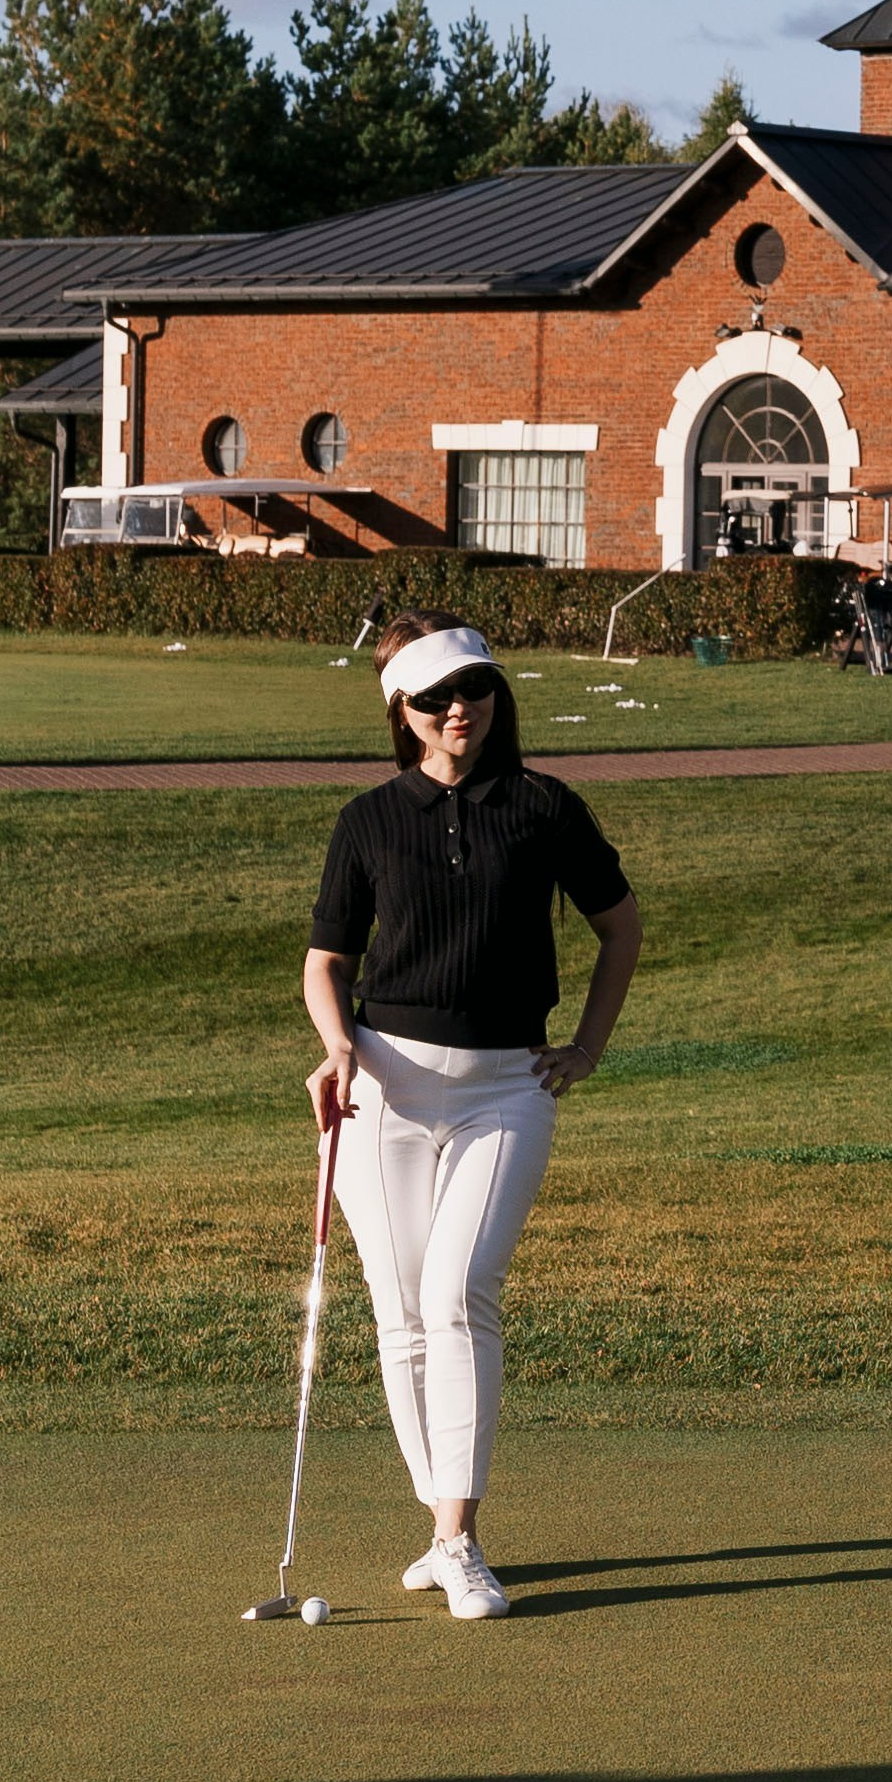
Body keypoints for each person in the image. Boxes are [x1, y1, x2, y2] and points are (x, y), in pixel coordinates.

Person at [303, 613, 643, 1618]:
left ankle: (457, 1538)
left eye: (478, 690)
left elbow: (619, 930)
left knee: (457, 1293)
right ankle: (442, 1525)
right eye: (437, 698)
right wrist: (333, 1047)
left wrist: (587, 1047)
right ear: (401, 715)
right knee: (400, 1315)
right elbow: (328, 962)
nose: (462, 709)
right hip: (383, 1088)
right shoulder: (368, 820)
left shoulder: (542, 807)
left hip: (505, 1087)